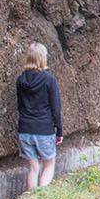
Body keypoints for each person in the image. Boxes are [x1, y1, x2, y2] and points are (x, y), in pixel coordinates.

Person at [16, 42, 63, 189]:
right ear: (43, 58)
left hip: (24, 129)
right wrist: (59, 130)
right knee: (49, 166)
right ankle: (41, 197)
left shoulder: (20, 80)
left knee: (33, 169)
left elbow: (20, 106)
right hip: (43, 129)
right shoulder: (49, 80)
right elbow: (56, 108)